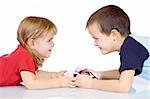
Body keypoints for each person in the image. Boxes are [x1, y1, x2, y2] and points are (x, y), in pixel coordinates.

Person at [75, 5, 149, 93]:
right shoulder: (132, 44)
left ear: (114, 35)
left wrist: (91, 83)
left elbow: (123, 87)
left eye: (96, 38)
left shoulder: (131, 48)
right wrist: (99, 74)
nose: (95, 44)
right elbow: (125, 73)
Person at [0, 16, 76, 89]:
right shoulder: (24, 55)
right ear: (32, 43)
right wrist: (59, 83)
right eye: (49, 40)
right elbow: (31, 83)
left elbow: (33, 73)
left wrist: (54, 75)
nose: (53, 44)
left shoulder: (24, 54)